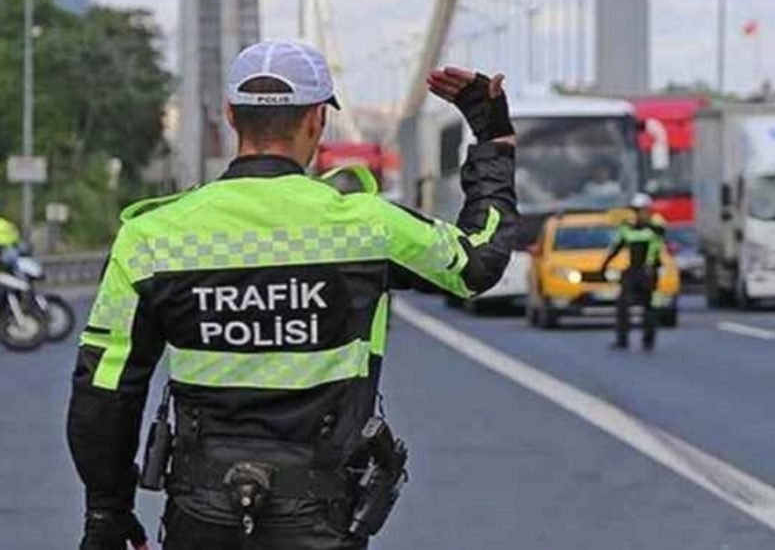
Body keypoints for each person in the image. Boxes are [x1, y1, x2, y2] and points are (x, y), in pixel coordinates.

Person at [66, 40, 518, 550]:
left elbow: (103, 390)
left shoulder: (153, 236)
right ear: (317, 121)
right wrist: (492, 138)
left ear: (232, 117)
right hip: (321, 516)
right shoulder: (366, 227)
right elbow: (478, 263)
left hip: (200, 512)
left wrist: (107, 512)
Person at [600, 193, 667, 351]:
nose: (639, 214)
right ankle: (622, 339)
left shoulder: (655, 228)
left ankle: (648, 340)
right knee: (623, 305)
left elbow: (661, 232)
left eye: (642, 210)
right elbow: (615, 248)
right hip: (633, 270)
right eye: (636, 211)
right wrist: (604, 266)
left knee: (650, 307)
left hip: (649, 271)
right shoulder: (627, 229)